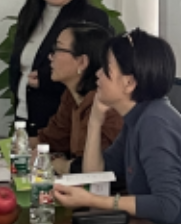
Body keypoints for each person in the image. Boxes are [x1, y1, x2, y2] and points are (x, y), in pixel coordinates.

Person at [52, 29, 181, 224]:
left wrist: (92, 200)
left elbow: (166, 206)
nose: (97, 74)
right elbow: (96, 177)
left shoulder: (154, 124)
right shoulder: (138, 117)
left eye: (106, 69)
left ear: (129, 82)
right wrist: (95, 121)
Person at [9, 0, 110, 133]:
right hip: (25, 116)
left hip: (62, 123)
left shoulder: (91, 19)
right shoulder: (29, 14)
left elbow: (95, 73)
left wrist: (46, 80)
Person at [37, 23, 122, 161]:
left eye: (57, 49)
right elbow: (51, 140)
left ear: (82, 62)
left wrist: (61, 165)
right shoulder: (71, 96)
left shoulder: (106, 105)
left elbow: (94, 165)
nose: (50, 56)